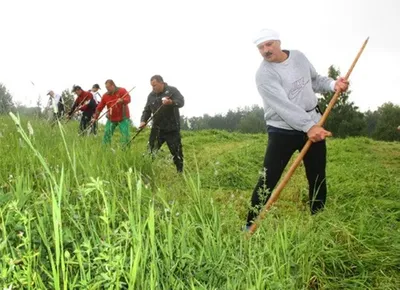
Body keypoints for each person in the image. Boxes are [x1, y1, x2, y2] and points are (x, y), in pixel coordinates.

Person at [245, 29, 349, 229]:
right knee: (269, 177)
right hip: (282, 130)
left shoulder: (299, 57)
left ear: (278, 42)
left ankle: (318, 221)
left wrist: (334, 84)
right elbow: (284, 107)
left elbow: (315, 80)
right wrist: (308, 126)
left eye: (269, 44)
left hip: (313, 122)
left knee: (317, 175)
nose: (266, 50)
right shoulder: (264, 75)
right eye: (261, 47)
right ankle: (250, 224)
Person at [140, 75, 185, 173]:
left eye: (155, 85)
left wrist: (171, 102)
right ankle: (145, 171)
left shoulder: (172, 91)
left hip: (171, 128)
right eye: (152, 86)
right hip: (157, 128)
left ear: (161, 83)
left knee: (176, 152)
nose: (153, 88)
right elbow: (147, 110)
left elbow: (181, 102)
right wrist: (143, 120)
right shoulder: (151, 95)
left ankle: (180, 172)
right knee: (150, 150)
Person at [92, 79, 131, 145]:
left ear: (113, 85)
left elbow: (128, 99)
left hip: (123, 118)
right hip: (111, 118)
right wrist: (95, 117)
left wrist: (122, 100)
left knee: (125, 135)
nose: (107, 89)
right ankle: (105, 149)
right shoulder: (105, 96)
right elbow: (99, 107)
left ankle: (125, 150)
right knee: (107, 133)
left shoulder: (122, 90)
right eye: (106, 88)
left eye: (108, 87)